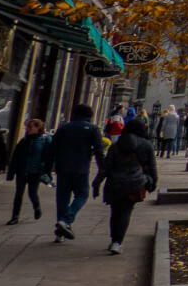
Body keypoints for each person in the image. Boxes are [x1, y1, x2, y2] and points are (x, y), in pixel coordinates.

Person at [92, 117, 156, 255]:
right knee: (125, 212)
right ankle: (117, 242)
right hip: (135, 183)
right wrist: (153, 183)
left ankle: (114, 239)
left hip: (114, 184)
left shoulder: (116, 146)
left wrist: (96, 183)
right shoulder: (146, 145)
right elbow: (152, 167)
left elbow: (105, 168)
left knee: (115, 212)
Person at [45, 104, 102, 242]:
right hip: (81, 169)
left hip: (62, 168)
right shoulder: (92, 129)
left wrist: (47, 170)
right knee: (82, 194)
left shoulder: (64, 128)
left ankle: (60, 233)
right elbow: (99, 151)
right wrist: (103, 170)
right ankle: (66, 220)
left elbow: (51, 150)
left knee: (62, 199)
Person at [5, 118, 51, 225]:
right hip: (22, 171)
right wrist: (11, 173)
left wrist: (46, 171)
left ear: (39, 128)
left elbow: (49, 158)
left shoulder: (44, 140)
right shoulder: (24, 141)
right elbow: (15, 157)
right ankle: (15, 216)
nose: (28, 129)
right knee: (18, 194)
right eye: (27, 127)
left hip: (35, 172)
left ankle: (37, 207)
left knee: (32, 193)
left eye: (31, 127)